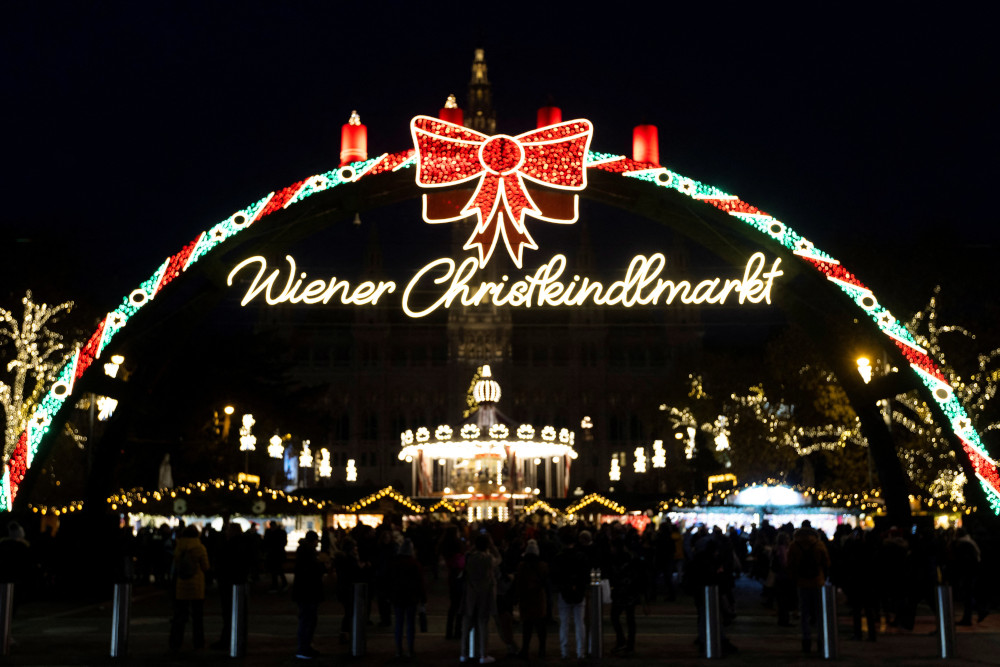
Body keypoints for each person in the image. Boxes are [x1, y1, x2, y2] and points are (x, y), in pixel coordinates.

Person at [787, 521, 831, 654]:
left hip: (802, 582)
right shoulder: (819, 544)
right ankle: (820, 640)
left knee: (804, 612)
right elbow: (827, 562)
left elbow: (790, 565)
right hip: (818, 581)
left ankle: (806, 640)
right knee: (819, 612)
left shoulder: (794, 545)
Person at [461, 533, 501, 664]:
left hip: (470, 594)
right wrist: (493, 546)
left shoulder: (469, 558)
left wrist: (473, 547)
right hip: (484, 594)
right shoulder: (488, 558)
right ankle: (483, 654)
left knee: (467, 625)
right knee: (483, 624)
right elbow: (499, 559)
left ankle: (464, 653)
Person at [169, 525, 210, 652]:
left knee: (179, 615)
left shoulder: (179, 547)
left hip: (182, 585)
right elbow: (205, 566)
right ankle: (198, 642)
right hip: (196, 585)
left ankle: (175, 642)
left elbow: (176, 563)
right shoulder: (200, 547)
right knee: (197, 617)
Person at [552, 531, 590, 659]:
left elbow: (556, 576)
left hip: (564, 592)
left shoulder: (559, 557)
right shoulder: (581, 556)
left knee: (564, 623)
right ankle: (580, 652)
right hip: (578, 592)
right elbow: (585, 575)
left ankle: (565, 652)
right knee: (580, 623)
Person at [387, 538, 427, 658]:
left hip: (398, 596)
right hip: (411, 596)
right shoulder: (414, 564)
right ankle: (410, 649)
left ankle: (398, 650)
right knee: (410, 624)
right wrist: (423, 598)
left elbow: (390, 580)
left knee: (399, 623)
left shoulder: (395, 563)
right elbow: (420, 582)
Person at [292, 530, 327, 660]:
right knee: (307, 620)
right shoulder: (308, 554)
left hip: (305, 592)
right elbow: (311, 572)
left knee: (307, 619)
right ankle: (303, 648)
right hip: (308, 592)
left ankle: (305, 646)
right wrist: (321, 566)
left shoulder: (304, 552)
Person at [515, 539, 549, 658]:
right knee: (541, 628)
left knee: (527, 627)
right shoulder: (543, 566)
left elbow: (518, 582)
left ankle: (525, 649)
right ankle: (542, 650)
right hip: (538, 598)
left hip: (526, 599)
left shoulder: (522, 566)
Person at [263, 520, 289, 592]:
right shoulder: (281, 532)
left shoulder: (269, 532)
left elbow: (265, 542)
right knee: (279, 570)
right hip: (278, 554)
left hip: (273, 554)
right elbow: (284, 542)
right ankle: (282, 584)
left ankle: (276, 585)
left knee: (275, 571)